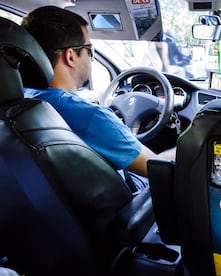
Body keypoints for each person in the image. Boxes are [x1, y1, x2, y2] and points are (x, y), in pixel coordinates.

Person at [21, 6, 175, 189]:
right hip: (131, 208)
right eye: (89, 50)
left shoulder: (23, 102)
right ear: (70, 56)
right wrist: (190, 143)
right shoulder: (92, 117)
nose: (92, 59)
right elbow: (159, 169)